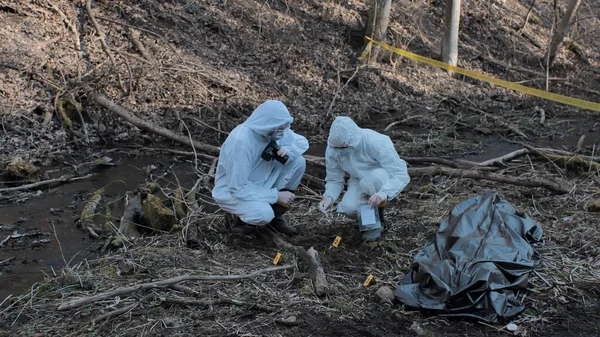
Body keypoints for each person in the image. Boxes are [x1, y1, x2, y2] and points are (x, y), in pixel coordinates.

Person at [212, 100, 309, 236]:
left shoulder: (275, 130)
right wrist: (276, 196)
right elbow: (238, 187)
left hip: (262, 181)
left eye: (286, 127)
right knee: (263, 214)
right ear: (270, 125)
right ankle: (236, 218)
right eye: (281, 129)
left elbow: (302, 142)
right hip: (234, 191)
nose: (284, 132)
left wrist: (289, 149)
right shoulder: (241, 142)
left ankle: (275, 219)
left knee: (299, 162)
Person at [318, 116, 410, 241]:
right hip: (358, 180)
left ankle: (375, 223)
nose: (339, 151)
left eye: (343, 148)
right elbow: (334, 179)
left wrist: (384, 193)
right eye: (337, 148)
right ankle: (367, 217)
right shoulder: (333, 149)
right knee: (348, 208)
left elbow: (400, 174)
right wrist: (328, 198)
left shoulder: (375, 142)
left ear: (352, 142)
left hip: (380, 177)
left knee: (373, 181)